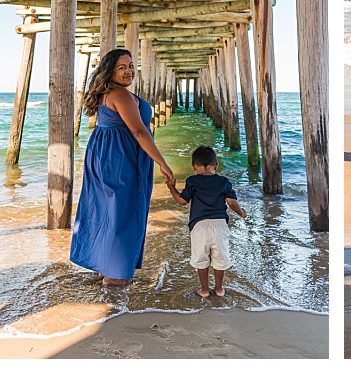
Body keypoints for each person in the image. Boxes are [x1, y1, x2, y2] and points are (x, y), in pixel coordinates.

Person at [70, 49, 176, 286]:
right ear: (110, 70)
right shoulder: (121, 95)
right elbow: (139, 131)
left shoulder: (105, 94)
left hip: (103, 155)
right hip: (121, 159)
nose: (129, 71)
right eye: (122, 67)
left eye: (131, 66)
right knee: (124, 212)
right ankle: (115, 277)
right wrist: (162, 162)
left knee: (106, 210)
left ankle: (105, 267)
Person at [166, 145, 247, 298]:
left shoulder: (192, 181)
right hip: (220, 224)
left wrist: (172, 188)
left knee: (201, 258)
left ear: (193, 166)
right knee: (220, 257)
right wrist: (242, 213)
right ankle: (219, 289)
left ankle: (204, 290)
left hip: (199, 225)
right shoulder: (223, 181)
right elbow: (232, 203)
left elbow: (182, 201)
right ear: (216, 165)